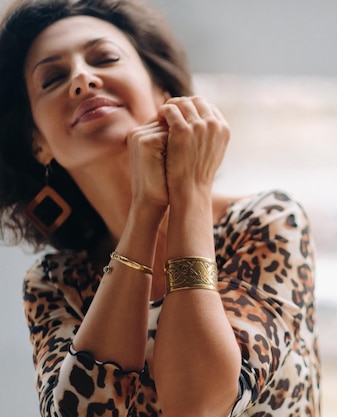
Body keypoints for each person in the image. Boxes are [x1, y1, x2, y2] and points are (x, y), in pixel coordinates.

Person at [0, 0, 320, 416]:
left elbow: (197, 402)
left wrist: (188, 190)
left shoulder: (266, 222)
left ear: (164, 93)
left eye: (105, 58)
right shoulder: (56, 283)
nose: (82, 77)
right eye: (53, 78)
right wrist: (145, 210)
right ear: (37, 143)